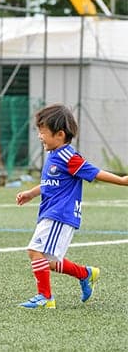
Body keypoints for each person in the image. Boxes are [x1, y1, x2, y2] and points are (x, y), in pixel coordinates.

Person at [15, 104, 128, 309]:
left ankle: (45, 297)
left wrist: (122, 181)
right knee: (46, 259)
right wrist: (32, 193)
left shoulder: (69, 157)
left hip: (60, 214)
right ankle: (85, 274)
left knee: (35, 252)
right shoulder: (54, 156)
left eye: (43, 131)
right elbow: (52, 182)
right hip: (50, 212)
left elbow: (95, 172)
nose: (39, 136)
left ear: (59, 134)